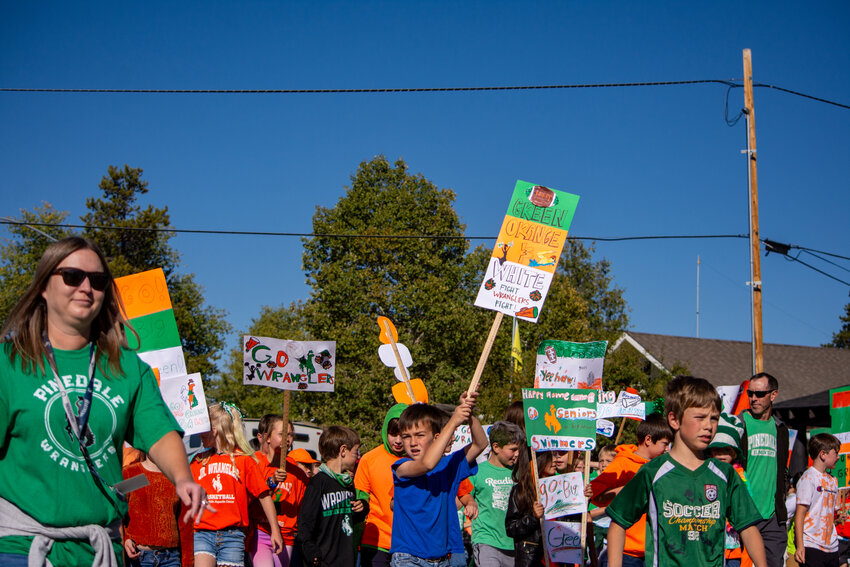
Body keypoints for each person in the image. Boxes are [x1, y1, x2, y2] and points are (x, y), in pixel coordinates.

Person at [0, 236, 206, 566]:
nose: (86, 287)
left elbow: (157, 431)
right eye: (71, 276)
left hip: (100, 550)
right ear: (43, 287)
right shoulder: (9, 362)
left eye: (97, 281)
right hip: (21, 548)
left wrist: (183, 478)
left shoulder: (127, 367)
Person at [606, 375, 768, 567]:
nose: (709, 426)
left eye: (714, 418)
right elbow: (618, 523)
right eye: (700, 417)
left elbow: (748, 528)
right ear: (674, 420)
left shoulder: (726, 474)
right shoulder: (652, 472)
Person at [389, 392, 488, 567]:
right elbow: (427, 464)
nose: (412, 442)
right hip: (408, 558)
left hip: (442, 559)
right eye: (406, 436)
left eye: (419, 435)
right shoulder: (402, 467)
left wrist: (468, 412)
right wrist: (454, 421)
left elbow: (480, 444)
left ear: (436, 437)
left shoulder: (449, 465)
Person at [192, 402, 283, 567]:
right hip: (202, 533)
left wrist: (275, 530)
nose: (199, 433)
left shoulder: (245, 461)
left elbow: (264, 495)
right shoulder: (198, 461)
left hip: (232, 535)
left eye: (202, 427)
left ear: (215, 429)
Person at [589, 413, 673, 567]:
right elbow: (595, 495)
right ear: (648, 440)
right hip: (626, 553)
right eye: (664, 444)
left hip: (654, 552)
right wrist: (626, 490)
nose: (667, 449)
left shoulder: (663, 466)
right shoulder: (623, 463)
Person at [740, 372, 792, 567]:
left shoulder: (781, 429)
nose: (754, 398)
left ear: (773, 394)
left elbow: (783, 471)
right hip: (743, 512)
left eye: (760, 394)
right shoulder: (739, 424)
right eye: (750, 393)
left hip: (773, 516)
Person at [296, 425, 368, 567]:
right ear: (343, 450)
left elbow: (350, 518)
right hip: (323, 559)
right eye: (355, 452)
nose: (357, 457)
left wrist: (362, 508)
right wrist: (309, 548)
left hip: (345, 558)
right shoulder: (318, 483)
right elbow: (305, 522)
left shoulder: (347, 483)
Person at [250, 414, 308, 567]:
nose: (287, 439)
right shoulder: (254, 463)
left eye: (290, 435)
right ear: (267, 437)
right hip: (260, 531)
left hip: (286, 536)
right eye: (282, 434)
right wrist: (272, 482)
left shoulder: (297, 473)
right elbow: (250, 499)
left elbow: (303, 507)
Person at [354, 403, 407, 567]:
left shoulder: (419, 461)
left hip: (408, 542)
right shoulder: (369, 459)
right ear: (385, 431)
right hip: (375, 540)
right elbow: (360, 496)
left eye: (403, 435)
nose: (398, 441)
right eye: (393, 434)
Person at [122, 452, 194, 567]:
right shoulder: (132, 474)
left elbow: (186, 524)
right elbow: (117, 512)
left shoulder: (177, 477)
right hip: (139, 557)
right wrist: (126, 538)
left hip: (171, 558)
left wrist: (188, 563)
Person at [469, 421, 524, 566]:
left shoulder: (520, 473)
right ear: (496, 447)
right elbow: (462, 495)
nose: (517, 454)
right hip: (486, 540)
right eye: (512, 450)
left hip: (513, 543)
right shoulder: (477, 471)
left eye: (519, 449)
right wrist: (469, 502)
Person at [795, 433, 843, 567]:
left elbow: (831, 513)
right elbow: (800, 513)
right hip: (811, 544)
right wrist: (800, 545)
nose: (838, 457)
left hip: (832, 546)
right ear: (823, 454)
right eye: (836, 453)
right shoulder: (808, 478)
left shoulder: (833, 480)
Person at [707, 413, 749, 567]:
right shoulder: (706, 473)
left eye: (727, 450)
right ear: (710, 452)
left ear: (734, 453)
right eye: (717, 450)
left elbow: (746, 504)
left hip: (733, 545)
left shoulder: (740, 476)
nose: (721, 454)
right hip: (710, 543)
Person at [505, 450, 552, 567]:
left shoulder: (562, 487)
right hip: (531, 558)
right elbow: (510, 528)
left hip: (557, 554)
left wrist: (583, 498)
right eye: (550, 457)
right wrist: (533, 517)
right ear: (540, 461)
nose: (555, 460)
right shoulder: (521, 491)